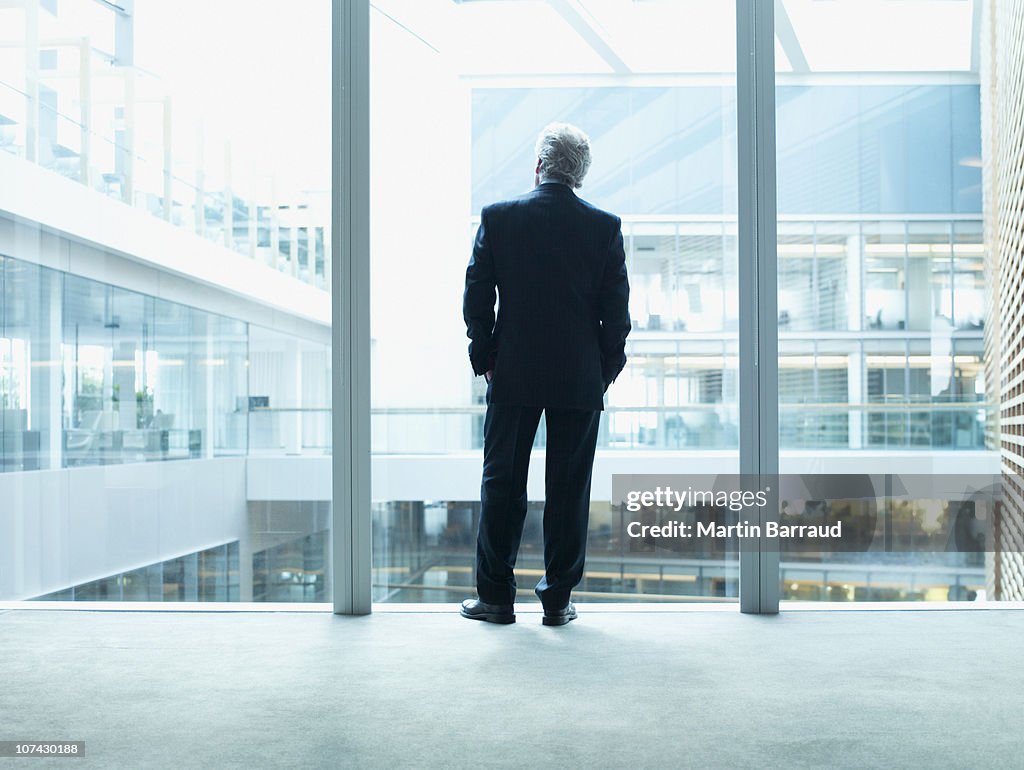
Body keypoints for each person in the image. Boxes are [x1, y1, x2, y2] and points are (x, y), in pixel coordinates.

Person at [460, 122, 631, 626]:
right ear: (580, 175)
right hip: (578, 378)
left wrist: (485, 356)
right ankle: (557, 601)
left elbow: (476, 294)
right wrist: (603, 371)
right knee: (569, 488)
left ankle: (495, 597)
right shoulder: (604, 227)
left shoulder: (500, 217)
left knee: (502, 484)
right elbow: (615, 314)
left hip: (512, 372)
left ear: (539, 165)